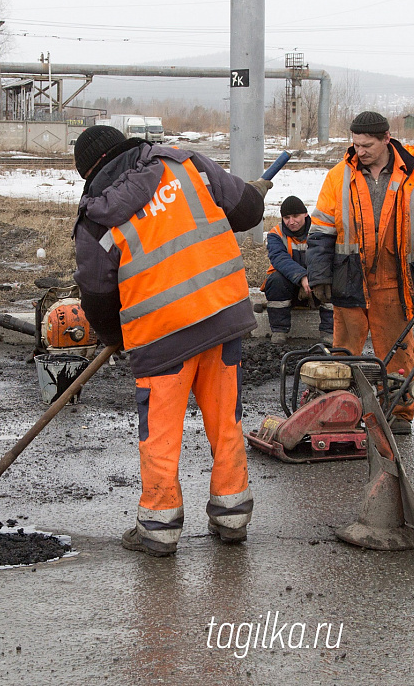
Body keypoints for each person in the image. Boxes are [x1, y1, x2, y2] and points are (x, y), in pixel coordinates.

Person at [72, 125, 270, 555]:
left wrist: (118, 339)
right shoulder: (185, 164)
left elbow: (98, 297)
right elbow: (248, 211)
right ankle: (232, 517)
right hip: (222, 319)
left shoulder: (95, 221)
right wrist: (254, 193)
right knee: (225, 421)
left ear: (90, 173)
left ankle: (158, 531)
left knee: (160, 435)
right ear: (128, 147)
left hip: (161, 341)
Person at [306, 111, 414, 435]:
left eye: (366, 145)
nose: (358, 151)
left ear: (386, 140)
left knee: (397, 350)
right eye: (355, 145)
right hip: (349, 276)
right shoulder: (339, 176)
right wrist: (319, 275)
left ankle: (400, 413)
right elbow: (321, 230)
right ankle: (338, 409)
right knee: (344, 350)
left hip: (396, 279)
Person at [261, 195, 334, 345]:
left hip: (317, 284)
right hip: (290, 287)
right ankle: (279, 331)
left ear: (305, 214)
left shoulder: (319, 230)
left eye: (295, 216)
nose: (291, 221)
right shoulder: (276, 234)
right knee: (275, 280)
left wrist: (314, 279)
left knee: (333, 279)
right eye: (286, 217)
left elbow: (327, 257)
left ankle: (329, 332)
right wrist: (301, 277)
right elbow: (279, 259)